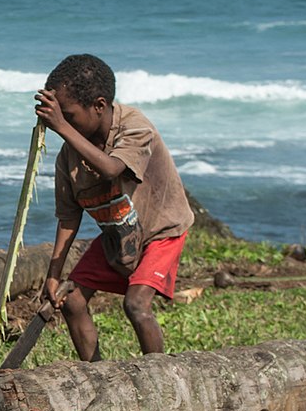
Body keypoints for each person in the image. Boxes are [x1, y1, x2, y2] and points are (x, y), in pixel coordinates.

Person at [36, 54, 193, 361]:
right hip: (118, 232)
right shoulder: (68, 157)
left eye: (68, 115)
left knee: (136, 304)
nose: (63, 123)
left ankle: (159, 377)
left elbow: (111, 168)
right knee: (72, 301)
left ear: (99, 105)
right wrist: (53, 274)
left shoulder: (135, 127)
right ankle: (98, 375)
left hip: (162, 232)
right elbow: (69, 217)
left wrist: (60, 127)